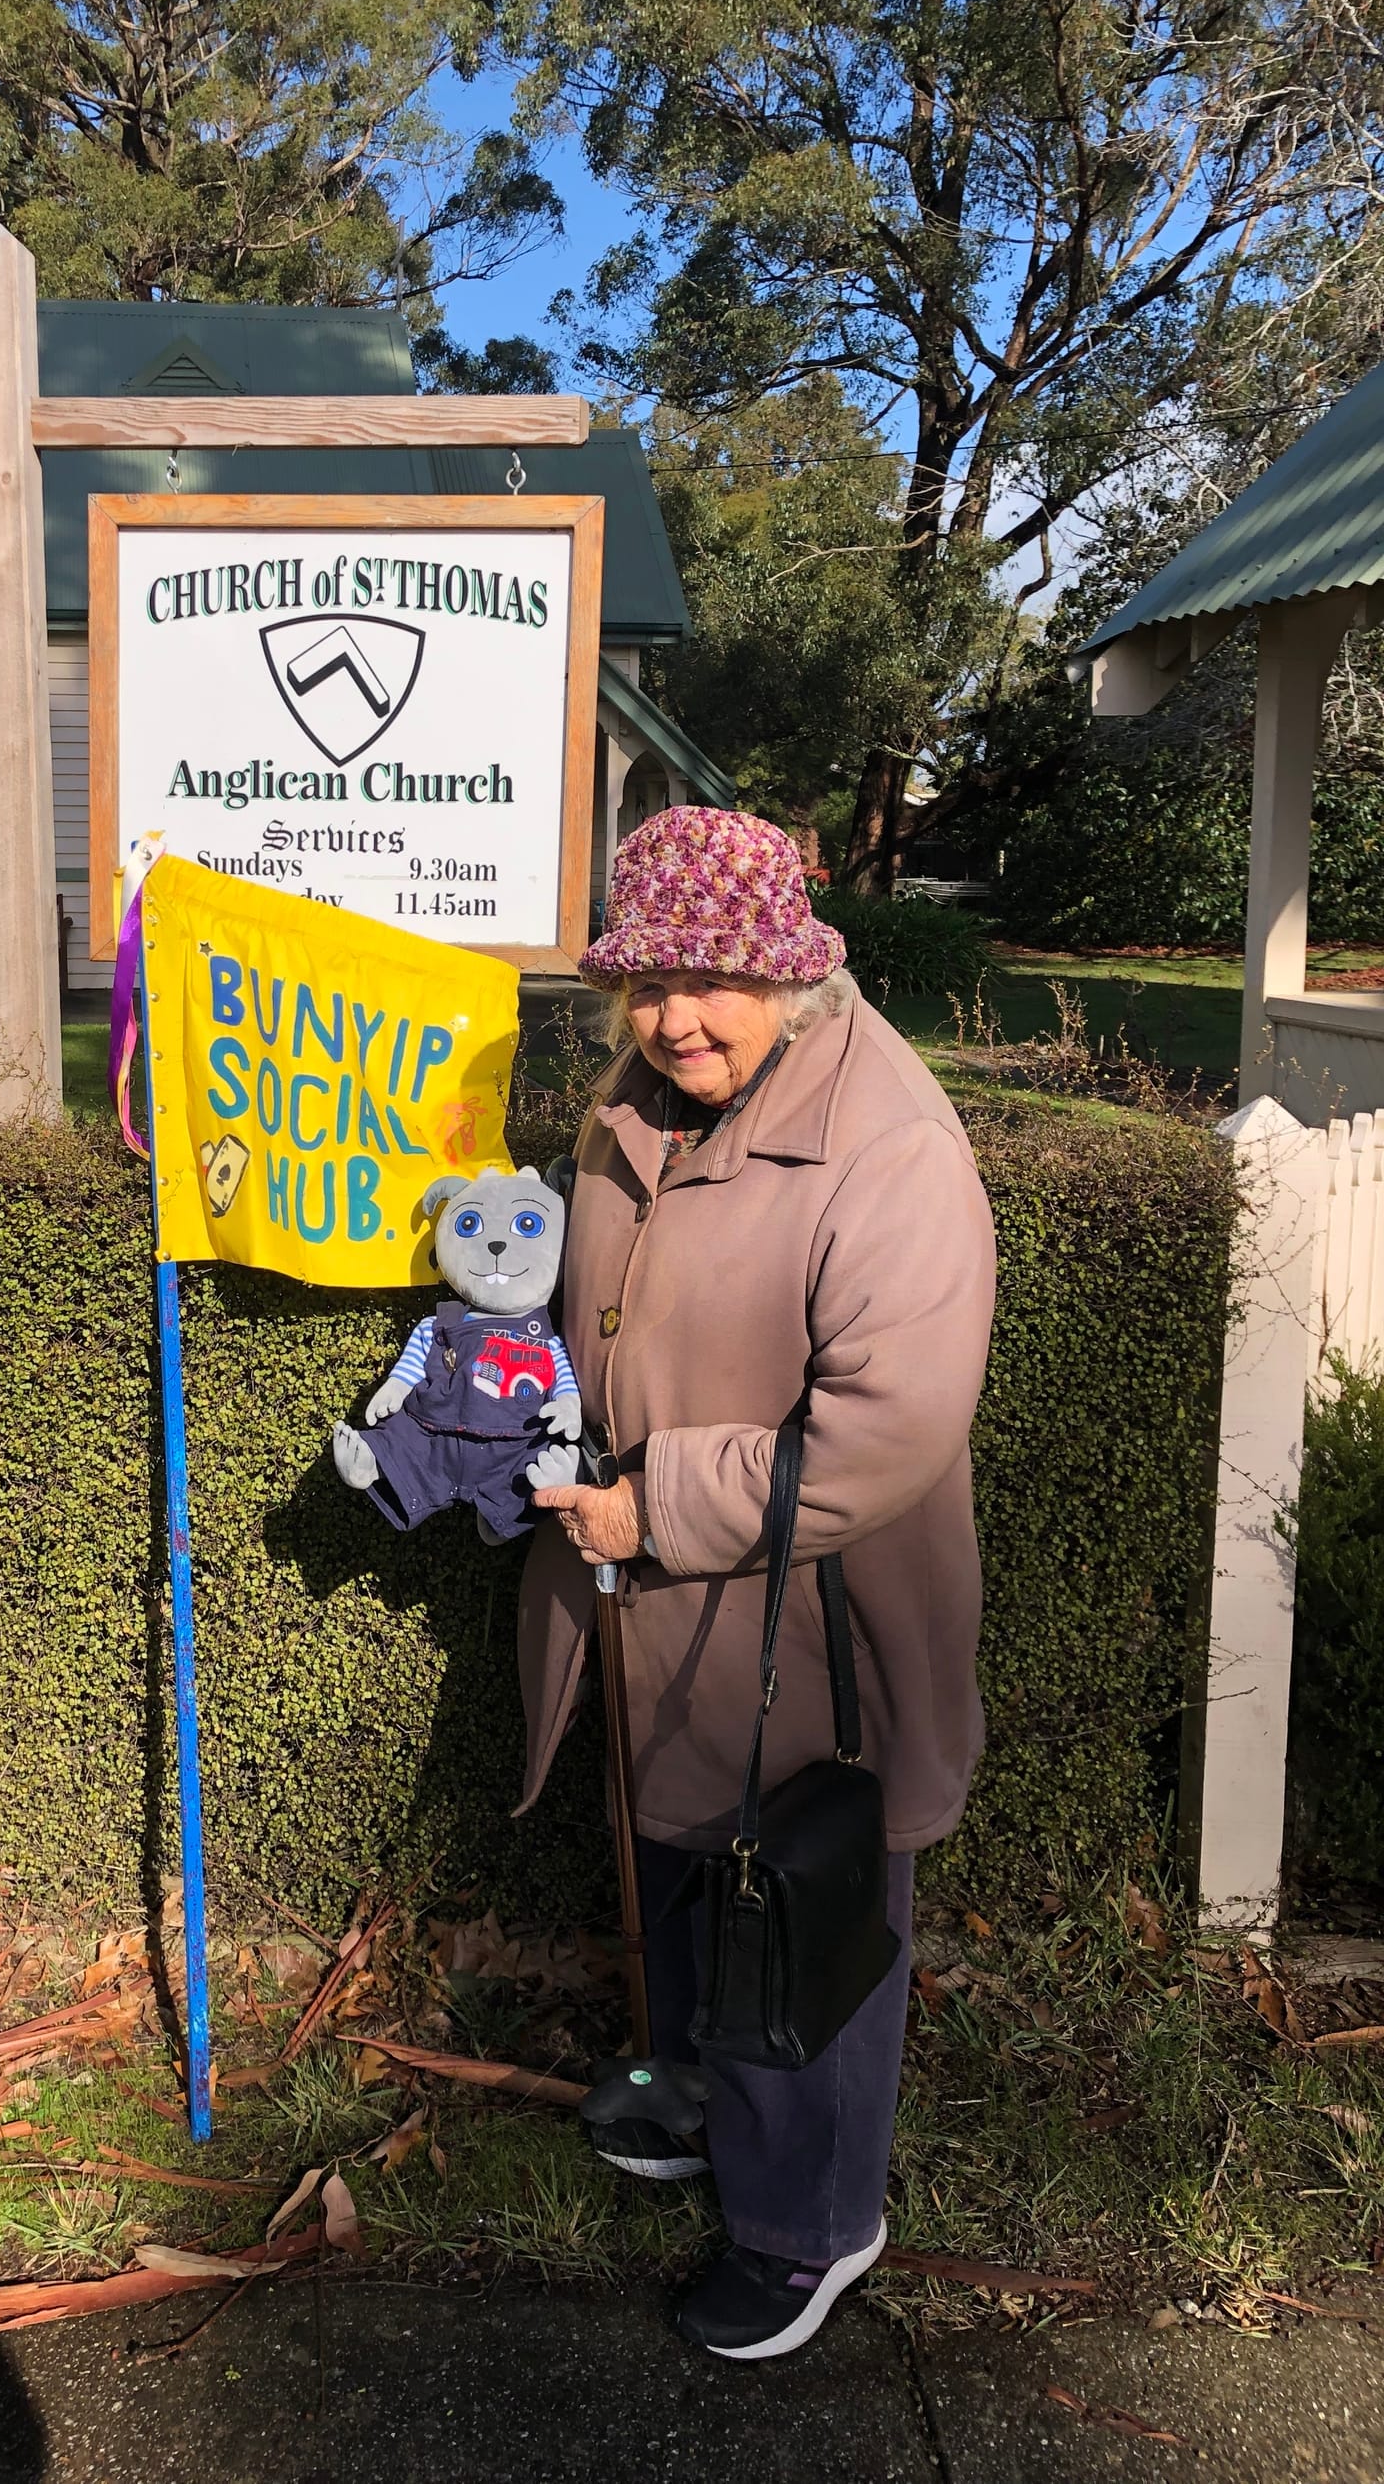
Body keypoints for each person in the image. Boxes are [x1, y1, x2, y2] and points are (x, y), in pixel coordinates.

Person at [526, 805, 997, 2363]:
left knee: (802, 1913)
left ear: (788, 972)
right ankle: (713, 2104)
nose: (676, 1016)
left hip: (819, 1632)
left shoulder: (891, 1141)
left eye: (714, 977)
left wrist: (651, 1499)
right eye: (649, 981)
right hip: (660, 1601)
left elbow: (888, 1431)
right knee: (684, 1874)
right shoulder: (642, 1093)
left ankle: (811, 2227)